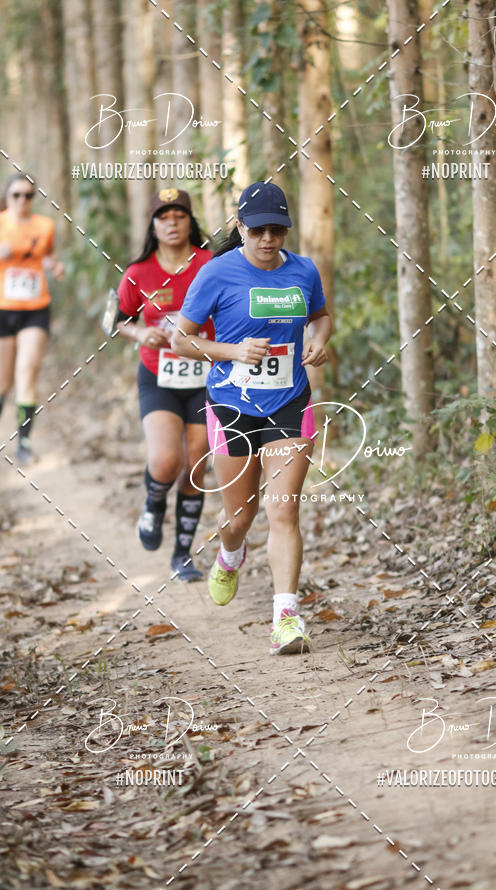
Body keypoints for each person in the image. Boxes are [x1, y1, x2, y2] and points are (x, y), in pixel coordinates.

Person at [172, 181, 332, 654]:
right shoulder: (216, 274)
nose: (268, 239)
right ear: (240, 226)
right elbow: (182, 339)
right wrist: (233, 351)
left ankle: (286, 618)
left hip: (289, 402)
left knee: (284, 509)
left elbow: (321, 316)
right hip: (232, 405)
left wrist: (319, 340)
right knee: (240, 516)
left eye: (278, 230)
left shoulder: (303, 270)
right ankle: (229, 553)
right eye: (259, 229)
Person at [116, 188, 214, 581]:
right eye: (164, 217)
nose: (172, 224)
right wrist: (140, 334)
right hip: (159, 375)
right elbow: (118, 320)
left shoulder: (211, 263)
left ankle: (183, 554)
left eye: (180, 216)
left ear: (191, 222)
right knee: (164, 460)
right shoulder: (138, 273)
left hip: (206, 376)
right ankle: (154, 504)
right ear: (153, 225)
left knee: (195, 464)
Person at [0, 173, 65, 463]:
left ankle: (23, 443)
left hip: (35, 308)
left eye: (28, 195)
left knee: (27, 372)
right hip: (3, 308)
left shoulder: (44, 225)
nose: (22, 201)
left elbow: (47, 254)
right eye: (16, 195)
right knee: (3, 382)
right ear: (7, 196)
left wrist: (55, 266)